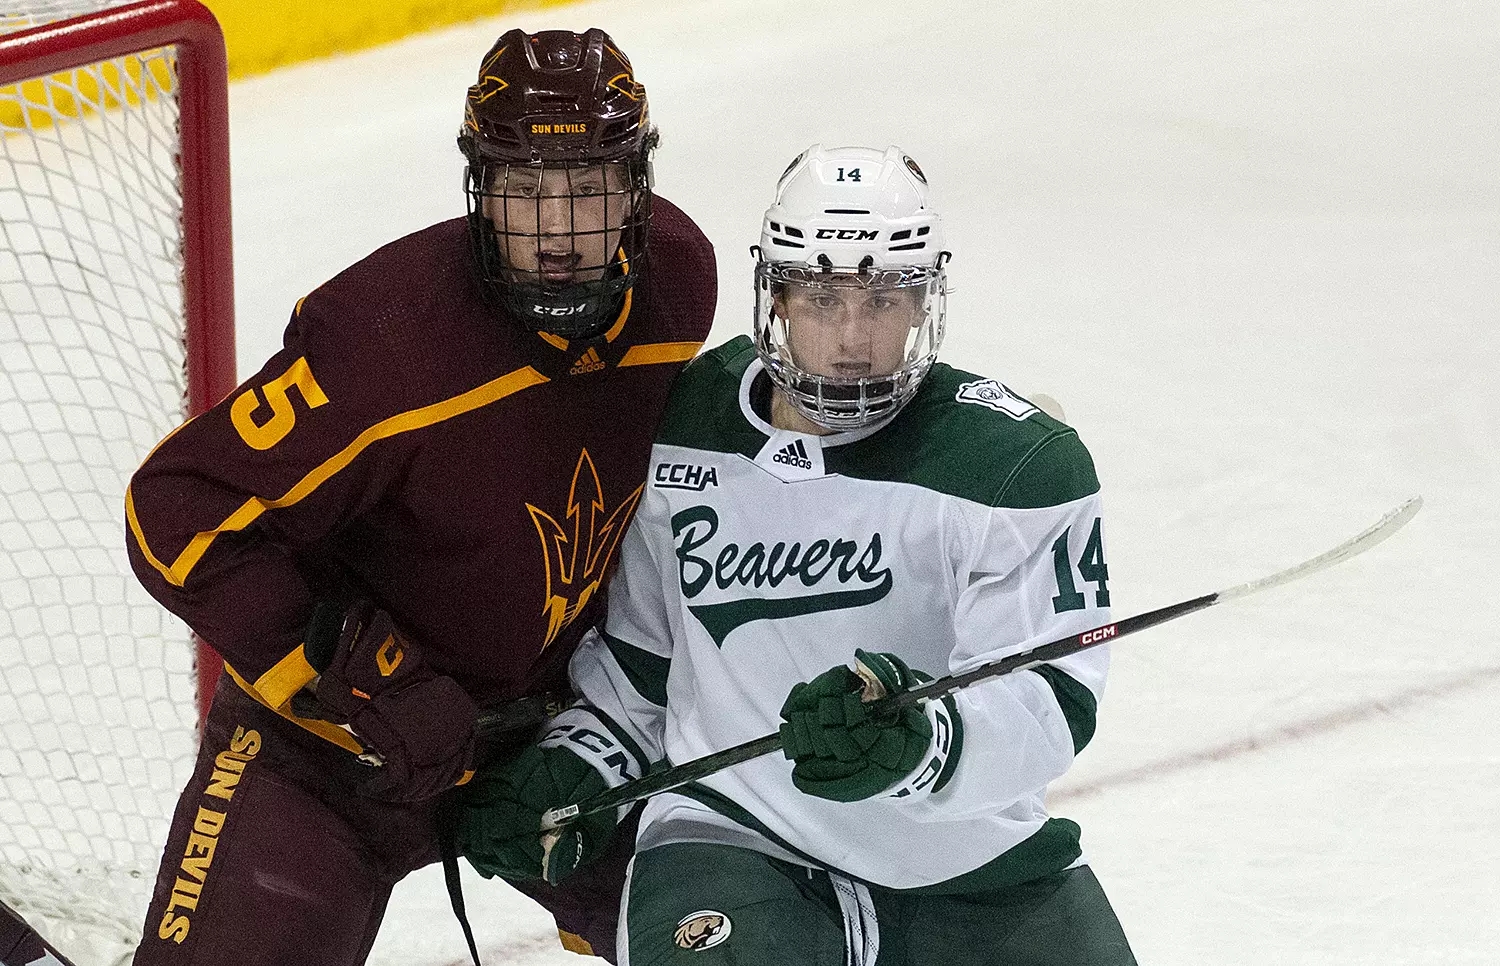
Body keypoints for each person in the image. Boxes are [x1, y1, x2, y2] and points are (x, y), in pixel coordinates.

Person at [456, 145, 1138, 965]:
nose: (852, 336)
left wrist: (922, 738)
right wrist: (578, 766)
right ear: (775, 292)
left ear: (924, 300)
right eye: (820, 296)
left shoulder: (1016, 467)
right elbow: (643, 660)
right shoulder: (684, 424)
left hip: (969, 865)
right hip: (732, 839)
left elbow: (1050, 698)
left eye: (883, 297)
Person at [123, 28, 716, 965]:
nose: (559, 230)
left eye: (589, 186)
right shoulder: (387, 341)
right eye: (524, 189)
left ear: (637, 185)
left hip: (557, 735)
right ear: (481, 190)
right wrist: (344, 676)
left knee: (742, 934)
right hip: (324, 755)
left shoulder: (679, 282)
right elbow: (176, 508)